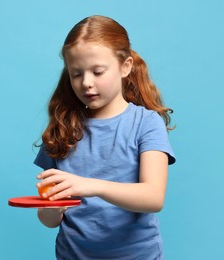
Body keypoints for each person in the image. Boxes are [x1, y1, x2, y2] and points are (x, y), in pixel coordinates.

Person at [34, 15, 176, 259]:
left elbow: (154, 197)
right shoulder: (63, 127)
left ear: (125, 66)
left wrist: (92, 186)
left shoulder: (146, 123)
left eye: (97, 71)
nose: (86, 83)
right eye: (76, 74)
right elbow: (50, 221)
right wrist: (51, 208)